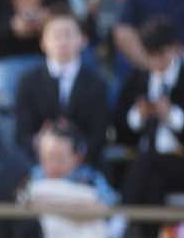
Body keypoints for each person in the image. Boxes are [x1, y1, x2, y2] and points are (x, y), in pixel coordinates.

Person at [114, 18, 184, 235]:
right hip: (147, 165)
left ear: (175, 48)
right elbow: (120, 130)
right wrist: (138, 117)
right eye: (150, 55)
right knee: (150, 171)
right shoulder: (136, 80)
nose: (156, 61)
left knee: (147, 164)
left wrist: (171, 116)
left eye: (161, 53)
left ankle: (121, 217)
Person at [13, 9, 111, 165]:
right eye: (56, 35)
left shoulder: (97, 84)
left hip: (84, 165)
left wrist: (75, 155)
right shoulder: (28, 82)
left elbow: (99, 134)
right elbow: (22, 134)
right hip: (39, 165)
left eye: (68, 34)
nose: (62, 41)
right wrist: (42, 143)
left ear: (83, 40)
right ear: (43, 42)